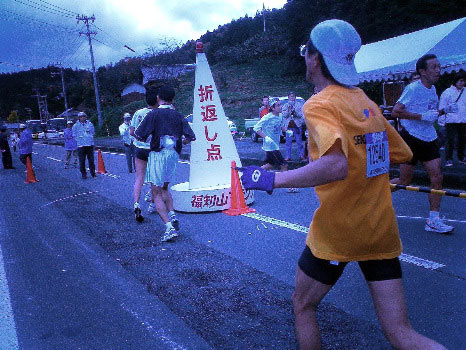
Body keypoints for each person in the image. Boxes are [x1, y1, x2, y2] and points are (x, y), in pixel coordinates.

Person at [240, 19, 446, 350]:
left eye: (307, 52)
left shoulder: (319, 104)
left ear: (315, 58)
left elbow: (335, 165)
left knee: (303, 305)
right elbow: (403, 152)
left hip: (339, 231)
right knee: (400, 332)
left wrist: (268, 178)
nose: (306, 58)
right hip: (380, 228)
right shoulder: (364, 101)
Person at [390, 54, 454, 234]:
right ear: (422, 71)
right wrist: (420, 117)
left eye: (439, 67)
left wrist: (442, 111)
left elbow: (428, 112)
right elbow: (396, 112)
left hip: (428, 137)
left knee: (437, 176)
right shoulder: (412, 88)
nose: (438, 70)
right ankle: (372, 200)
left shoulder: (433, 88)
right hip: (410, 137)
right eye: (434, 67)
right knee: (405, 180)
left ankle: (433, 220)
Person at [135, 85, 196, 242]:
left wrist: (150, 137)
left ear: (157, 98)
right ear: (173, 99)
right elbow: (190, 136)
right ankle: (172, 213)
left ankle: (168, 227)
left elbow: (139, 135)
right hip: (174, 154)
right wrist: (180, 140)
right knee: (164, 188)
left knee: (155, 192)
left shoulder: (153, 114)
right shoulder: (178, 115)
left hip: (158, 154)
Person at [129, 86, 159, 222]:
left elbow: (131, 132)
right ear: (157, 100)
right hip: (153, 149)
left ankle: (136, 203)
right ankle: (153, 203)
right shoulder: (158, 113)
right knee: (154, 178)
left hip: (139, 148)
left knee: (139, 178)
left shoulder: (138, 113)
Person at [439, 71, 465, 166]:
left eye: (464, 81)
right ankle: (448, 159)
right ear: (456, 81)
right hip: (451, 120)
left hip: (463, 120)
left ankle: (461, 157)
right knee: (450, 140)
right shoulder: (447, 92)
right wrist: (442, 121)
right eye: (460, 81)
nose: (462, 83)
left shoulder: (465, 91)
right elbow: (442, 106)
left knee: (462, 139)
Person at [282, 91, 306, 162]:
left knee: (299, 142)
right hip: (289, 126)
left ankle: (301, 156)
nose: (292, 98)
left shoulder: (299, 105)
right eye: (290, 97)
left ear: (295, 97)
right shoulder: (285, 105)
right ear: (288, 97)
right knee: (288, 142)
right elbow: (284, 115)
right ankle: (288, 156)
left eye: (293, 96)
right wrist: (289, 111)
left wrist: (294, 112)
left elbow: (301, 115)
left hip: (297, 126)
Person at [72, 112, 96, 179]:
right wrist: (79, 140)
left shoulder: (90, 124)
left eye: (83, 116)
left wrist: (90, 139)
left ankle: (93, 173)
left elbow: (93, 132)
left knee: (91, 160)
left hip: (89, 144)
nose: (82, 118)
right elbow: (74, 135)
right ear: (79, 118)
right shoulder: (75, 125)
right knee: (82, 161)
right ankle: (83, 173)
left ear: (86, 117)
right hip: (81, 145)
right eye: (81, 117)